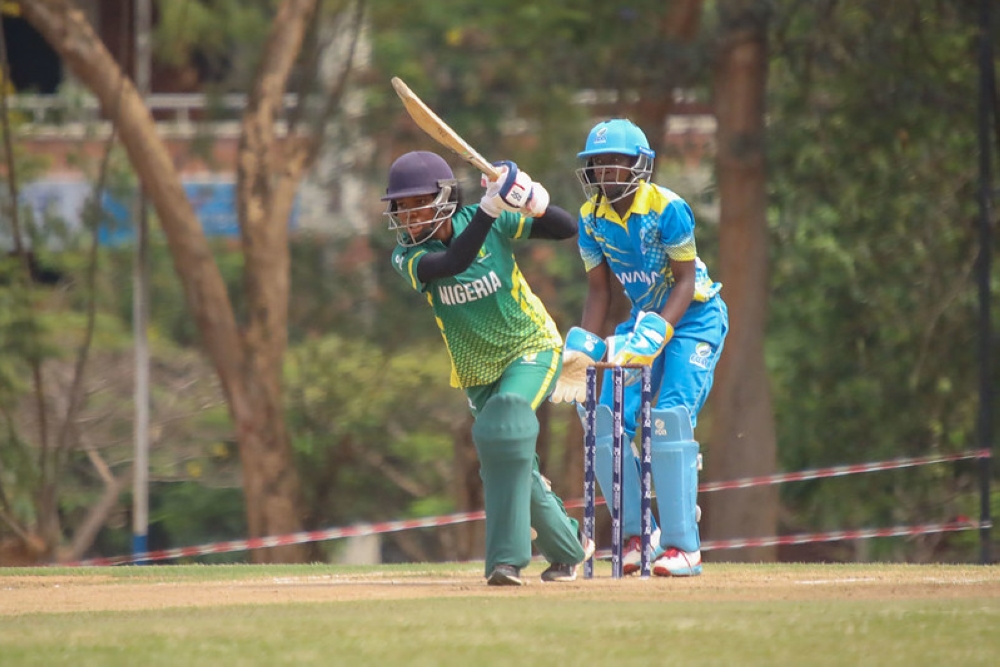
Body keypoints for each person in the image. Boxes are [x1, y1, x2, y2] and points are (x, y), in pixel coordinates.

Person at [383, 150, 595, 586]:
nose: (408, 216)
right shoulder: (408, 258)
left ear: (444, 197)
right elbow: (453, 262)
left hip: (530, 345)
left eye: (416, 203)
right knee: (507, 457)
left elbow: (566, 228)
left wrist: (532, 199)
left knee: (508, 426)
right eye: (401, 207)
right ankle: (570, 548)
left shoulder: (492, 221)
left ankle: (506, 561)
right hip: (477, 371)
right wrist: (489, 207)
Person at [551, 119, 729, 577]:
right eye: (598, 164)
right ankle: (637, 533)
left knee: (668, 415)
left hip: (692, 317)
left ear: (640, 165)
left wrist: (660, 331)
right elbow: (598, 293)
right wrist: (585, 350)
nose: (607, 172)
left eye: (616, 162)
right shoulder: (591, 218)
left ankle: (682, 547)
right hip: (642, 318)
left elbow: (686, 281)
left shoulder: (668, 208)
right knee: (596, 410)